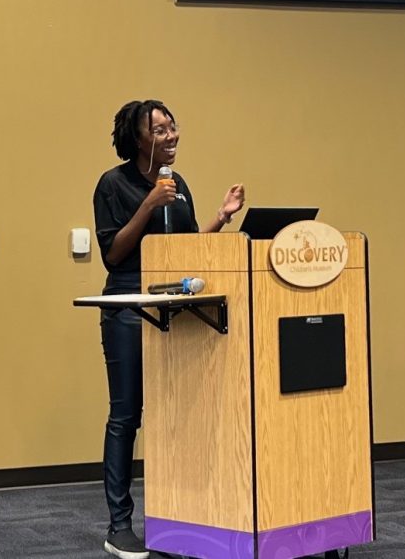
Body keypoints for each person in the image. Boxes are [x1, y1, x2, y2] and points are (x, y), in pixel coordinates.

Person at [92, 99, 245, 559]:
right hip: (127, 310)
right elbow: (114, 253)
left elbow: (187, 252)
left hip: (172, 310)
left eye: (172, 126)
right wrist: (148, 204)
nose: (171, 135)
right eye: (159, 130)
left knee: (174, 413)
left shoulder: (179, 185)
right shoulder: (113, 185)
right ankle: (119, 525)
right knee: (127, 415)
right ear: (138, 139)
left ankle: (175, 516)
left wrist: (220, 218)